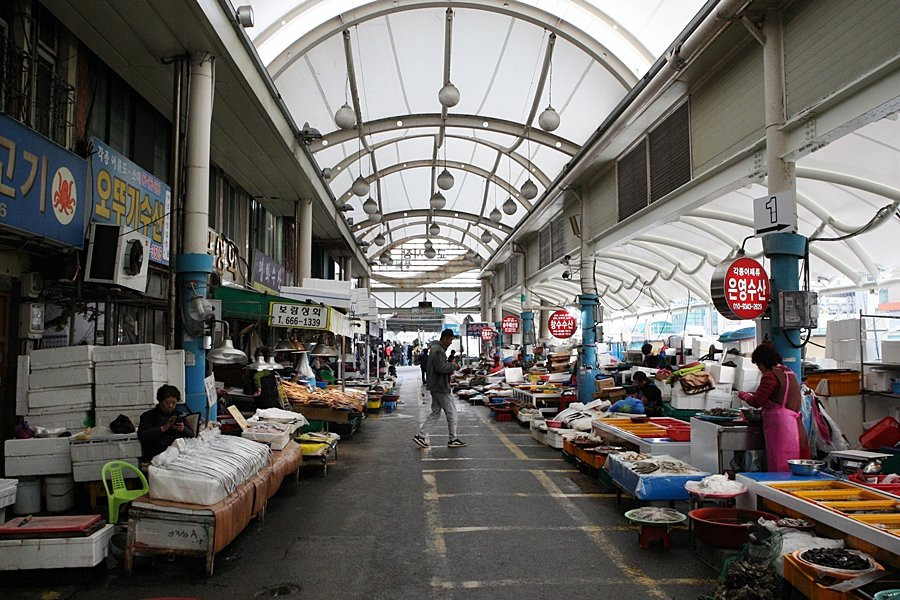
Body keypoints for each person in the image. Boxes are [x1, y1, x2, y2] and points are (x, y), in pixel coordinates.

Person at [738, 344, 811, 472]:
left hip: (779, 425)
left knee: (778, 461)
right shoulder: (789, 373)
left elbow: (756, 401)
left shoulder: (770, 376)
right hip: (792, 425)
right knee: (790, 460)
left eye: (758, 365)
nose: (759, 369)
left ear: (763, 362)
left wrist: (744, 395)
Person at [414, 329, 466, 448]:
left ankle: (420, 436)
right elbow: (441, 367)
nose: (450, 342)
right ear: (445, 338)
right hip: (441, 386)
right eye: (450, 340)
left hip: (436, 385)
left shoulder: (436, 349)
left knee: (436, 413)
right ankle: (453, 439)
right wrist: (454, 366)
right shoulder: (438, 350)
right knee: (452, 412)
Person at [138, 385, 194, 461]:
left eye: (174, 403)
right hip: (155, 456)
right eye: (167, 403)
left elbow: (192, 435)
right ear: (160, 401)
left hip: (178, 455)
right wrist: (163, 428)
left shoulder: (179, 416)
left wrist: (183, 429)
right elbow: (142, 436)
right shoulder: (148, 416)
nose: (170, 406)